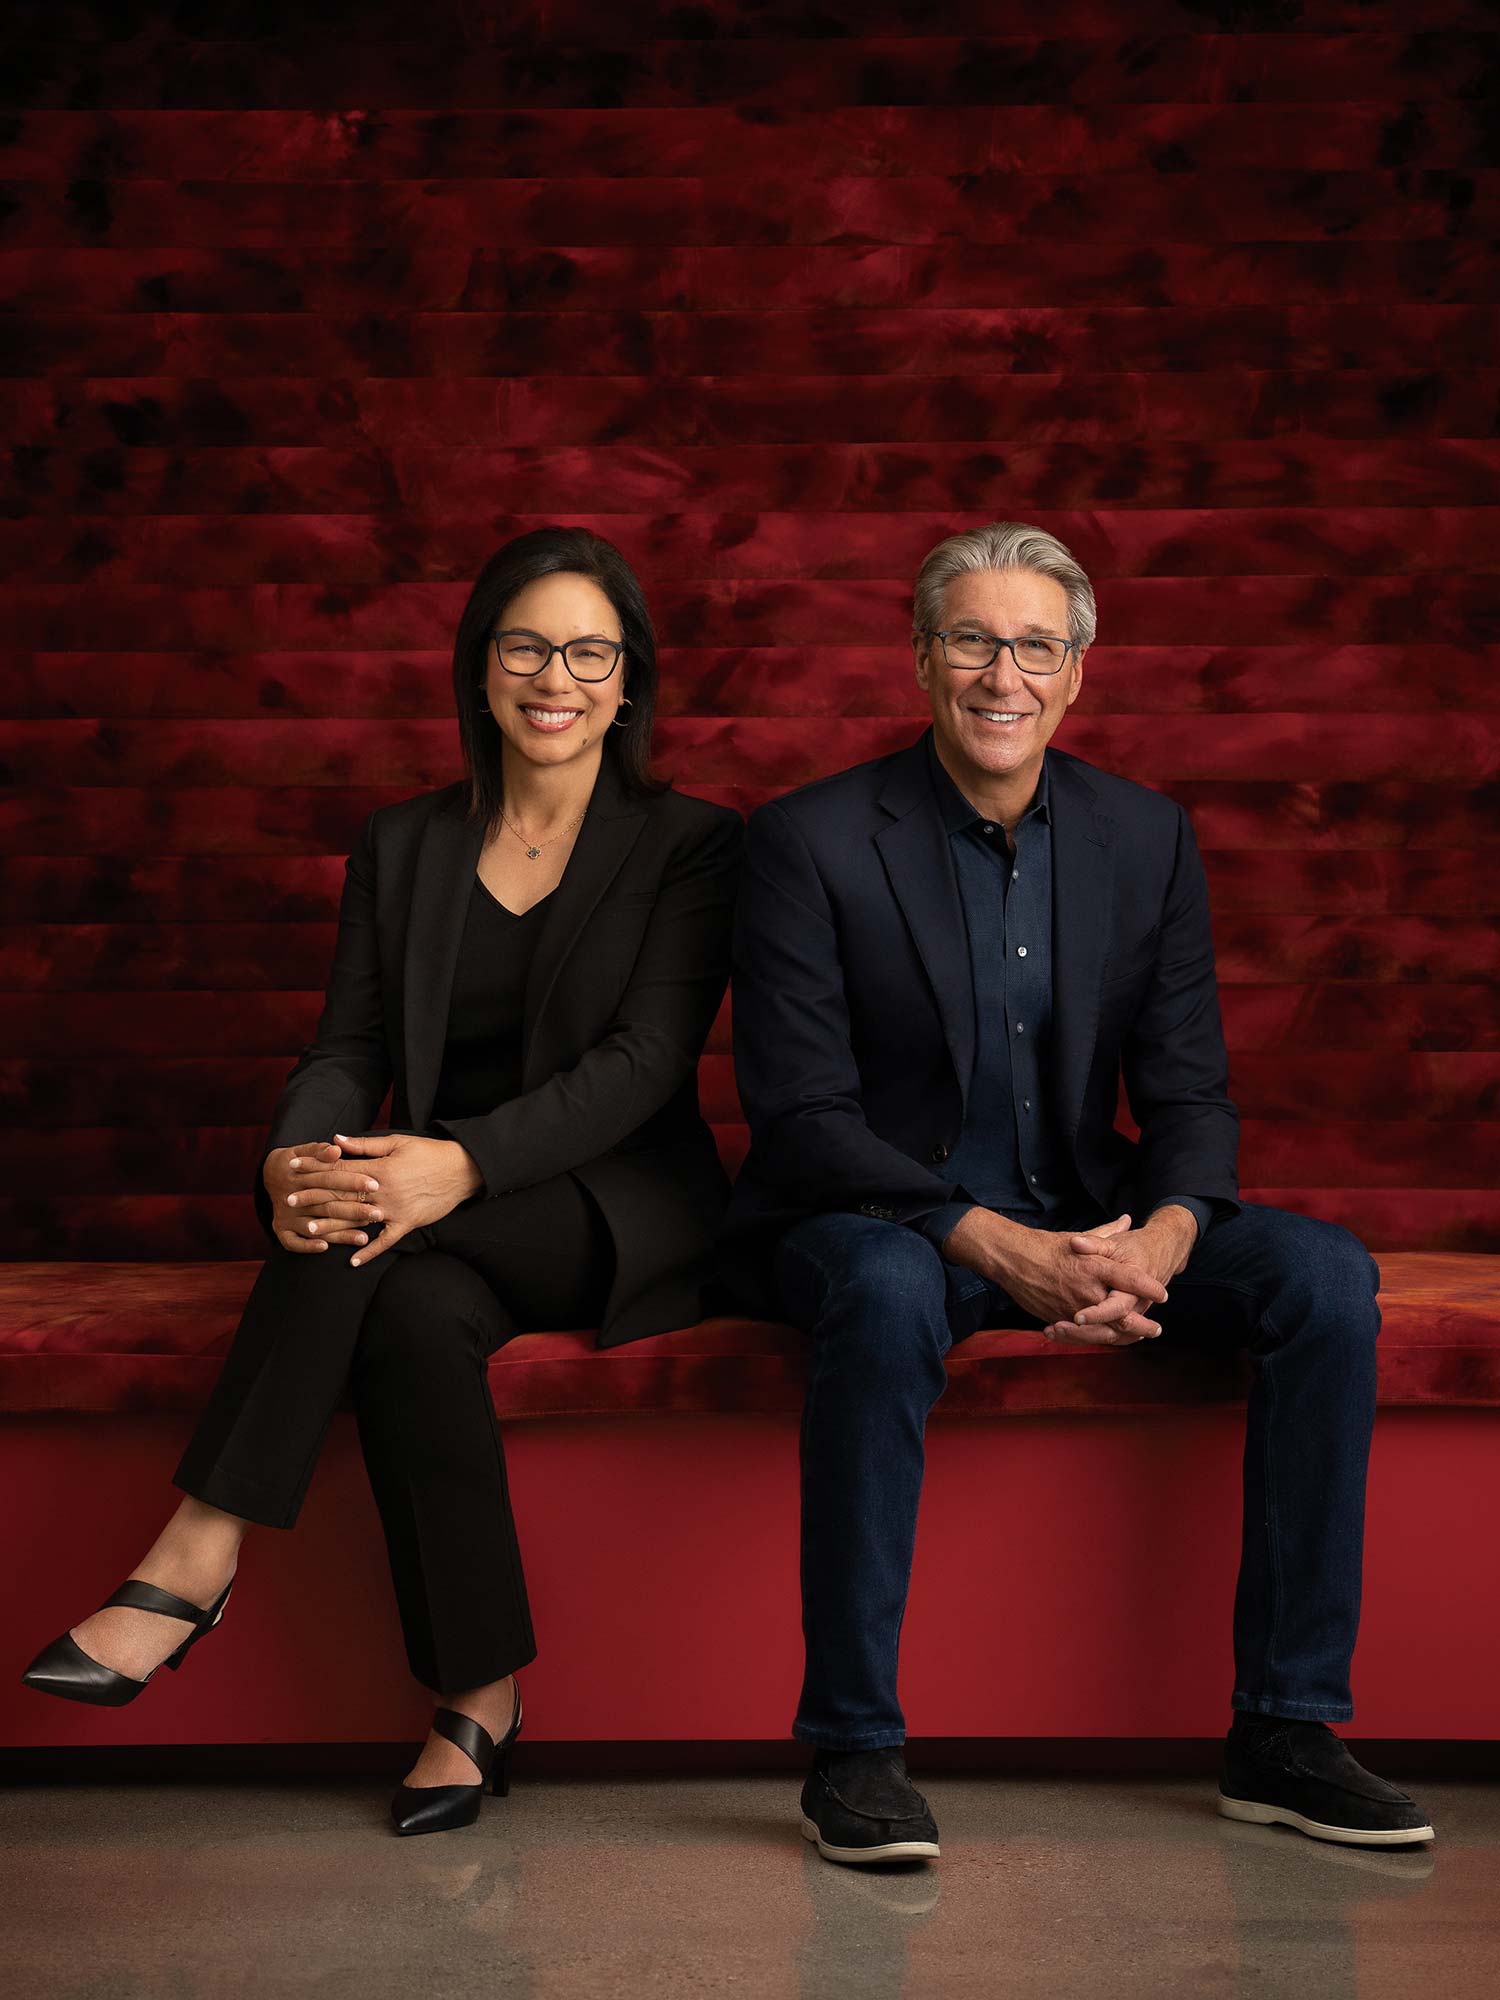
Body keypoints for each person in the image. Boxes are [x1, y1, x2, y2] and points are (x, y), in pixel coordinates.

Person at [718, 521, 1434, 1864]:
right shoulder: (808, 841)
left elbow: (1190, 1092)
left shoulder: (1143, 835)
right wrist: (997, 1248)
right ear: (924, 658)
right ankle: (855, 1752)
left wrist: (1161, 1239)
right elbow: (801, 1118)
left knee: (1325, 1275)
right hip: (877, 1219)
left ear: (1077, 673)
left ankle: (1284, 1731)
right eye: (974, 641)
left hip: (1088, 1207)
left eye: (1036, 645)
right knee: (878, 1292)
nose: (1005, 674)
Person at [24, 527, 743, 1837]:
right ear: (480, 668)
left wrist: (455, 1163)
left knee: (386, 1228)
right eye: (526, 646)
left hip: (615, 1204)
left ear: (629, 681)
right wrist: (294, 1163)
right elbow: (346, 1050)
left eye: (591, 651)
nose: (557, 676)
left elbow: (645, 1065)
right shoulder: (404, 842)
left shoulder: (689, 845)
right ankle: (481, 1694)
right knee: (405, 1307)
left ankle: (197, 1549)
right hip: (424, 1217)